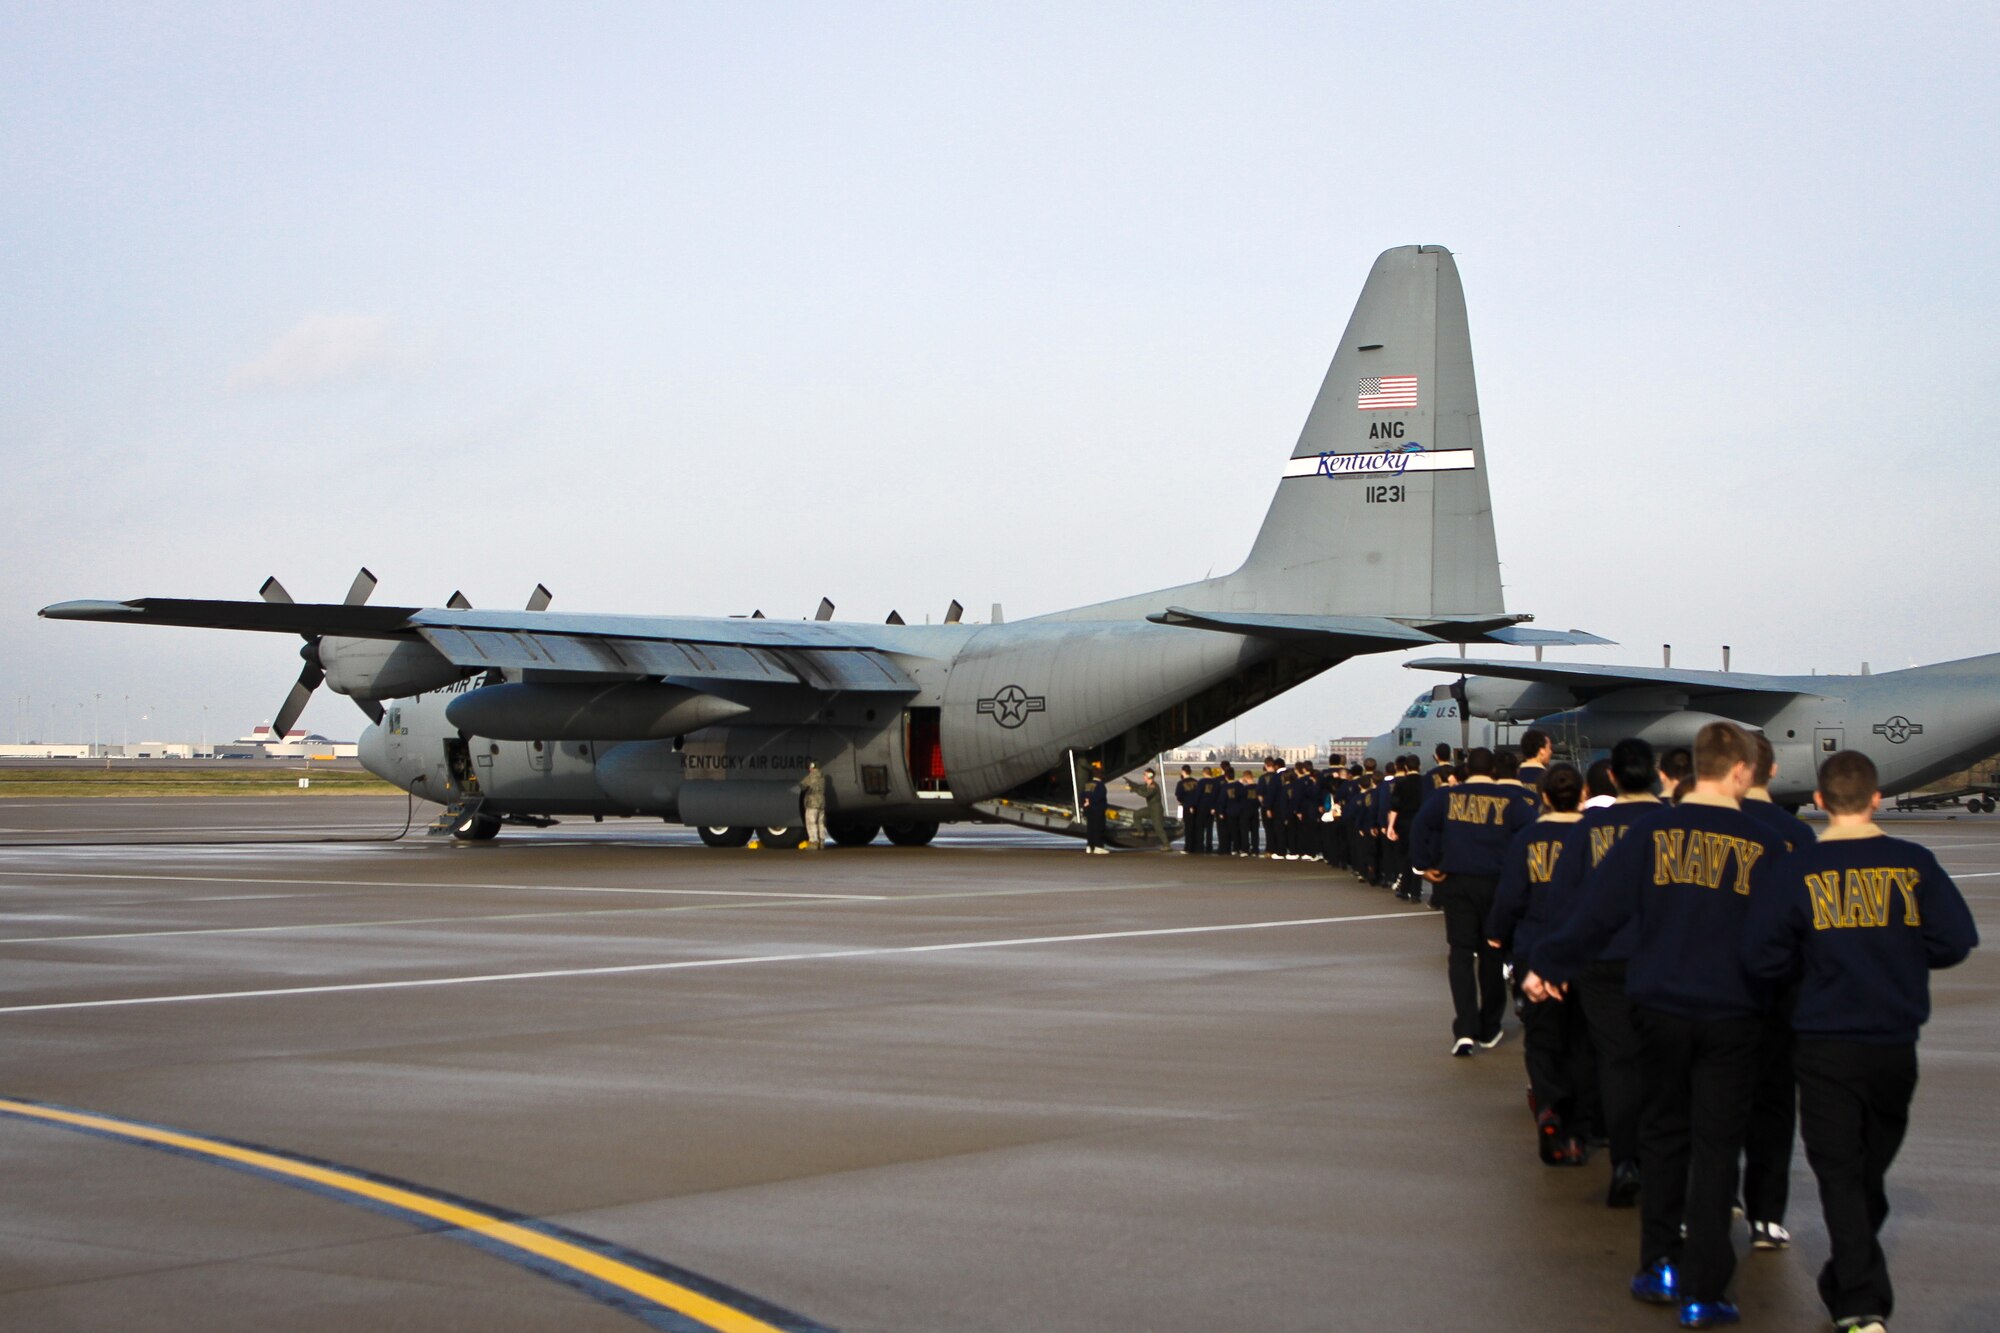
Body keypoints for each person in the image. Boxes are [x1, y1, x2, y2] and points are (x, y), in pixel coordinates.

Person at [1525, 721, 1785, 1329]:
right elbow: (1779, 942)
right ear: (1743, 771)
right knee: (1717, 1147)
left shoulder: (1648, 836)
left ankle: (1658, 1263)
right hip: (1730, 1012)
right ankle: (1705, 1288)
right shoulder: (1763, 843)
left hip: (1658, 1006)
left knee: (1663, 1135)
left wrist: (1549, 965)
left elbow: (1598, 911)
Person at [1742, 750, 1978, 1333]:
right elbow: (1954, 941)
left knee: (1847, 1173)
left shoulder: (1797, 871)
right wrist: (1898, 952)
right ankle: (1858, 1300)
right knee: (1861, 1168)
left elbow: (1761, 954)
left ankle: (1851, 1283)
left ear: (1819, 802)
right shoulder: (1913, 863)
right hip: (1894, 1042)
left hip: (1825, 1041)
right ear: (1876, 798)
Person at [1537, 737, 1661, 1208]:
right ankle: (1661, 1160)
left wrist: (1556, 962)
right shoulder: (1672, 825)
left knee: (1615, 1059)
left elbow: (1565, 899)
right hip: (1662, 959)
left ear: (1611, 778)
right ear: (1653, 773)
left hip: (1604, 959)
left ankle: (1624, 1158)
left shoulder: (1591, 829)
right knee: (1663, 1063)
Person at [1736, 732, 1816, 1251]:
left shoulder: (1711, 827)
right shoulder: (1798, 836)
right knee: (1774, 1102)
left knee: (1711, 1097)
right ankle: (1767, 1213)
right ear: (1773, 769)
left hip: (1718, 984)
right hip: (1781, 987)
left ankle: (1714, 1190)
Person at [1487, 762, 1588, 1163]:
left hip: (1535, 949)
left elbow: (1511, 894)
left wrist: (1497, 933)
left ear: (1544, 797)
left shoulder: (1528, 838)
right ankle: (1578, 1130)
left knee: (1542, 1039)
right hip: (1583, 952)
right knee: (1581, 1042)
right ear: (1581, 795)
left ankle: (1547, 1105)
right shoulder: (1595, 838)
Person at [1408, 746, 1539, 1056]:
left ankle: (1464, 1027)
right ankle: (1489, 1025)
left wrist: (1424, 863)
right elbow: (1533, 832)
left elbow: (1420, 825)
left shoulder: (1447, 797)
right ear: (1493, 771)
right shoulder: (1512, 800)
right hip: (1496, 883)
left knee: (1461, 954)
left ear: (1465, 770)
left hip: (1457, 882)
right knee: (1492, 952)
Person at [1386, 755, 1426, 899]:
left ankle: (1404, 889)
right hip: (1422, 823)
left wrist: (1391, 826)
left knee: (1405, 856)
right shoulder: (1426, 782)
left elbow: (1395, 807)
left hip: (1404, 823)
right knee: (1418, 856)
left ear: (1406, 768)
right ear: (1419, 766)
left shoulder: (1401, 784)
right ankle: (1416, 891)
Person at [1125, 768, 1172, 851]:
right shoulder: (1148, 785)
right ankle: (1141, 832)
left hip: (1156, 810)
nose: (1144, 776)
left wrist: (1134, 790)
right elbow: (1140, 786)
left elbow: (1145, 794)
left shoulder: (1153, 786)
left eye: (1145, 774)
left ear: (1149, 776)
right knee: (1137, 814)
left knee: (1158, 828)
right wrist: (1132, 784)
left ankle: (1167, 845)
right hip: (1150, 809)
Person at [1080, 764, 1110, 854]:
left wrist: (1086, 802)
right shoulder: (1100, 785)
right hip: (1097, 810)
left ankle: (1090, 846)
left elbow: (1082, 795)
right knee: (1099, 828)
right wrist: (1092, 801)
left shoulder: (1088, 784)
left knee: (1090, 828)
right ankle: (1098, 846)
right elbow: (1099, 797)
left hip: (1088, 809)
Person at [800, 760, 828, 850]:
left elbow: (802, 785)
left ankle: (813, 842)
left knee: (811, 822)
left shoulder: (811, 776)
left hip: (812, 803)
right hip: (821, 803)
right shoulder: (822, 777)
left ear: (812, 766)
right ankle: (821, 842)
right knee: (821, 823)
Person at [1175, 767, 1200, 855]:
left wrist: (1184, 802)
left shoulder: (1181, 783)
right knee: (1196, 827)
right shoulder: (1196, 782)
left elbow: (1178, 795)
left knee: (1188, 828)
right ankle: (1196, 847)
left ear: (1183, 772)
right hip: (1197, 806)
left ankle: (1188, 847)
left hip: (1186, 806)